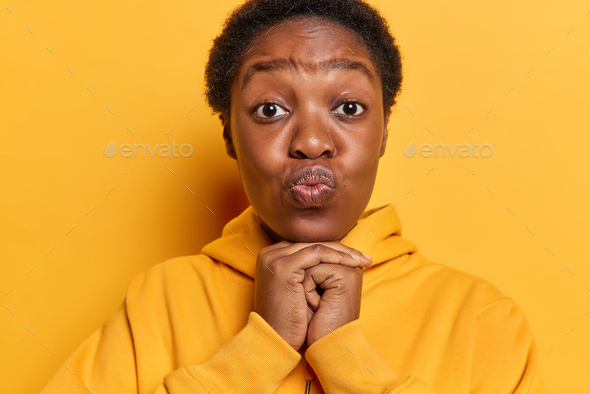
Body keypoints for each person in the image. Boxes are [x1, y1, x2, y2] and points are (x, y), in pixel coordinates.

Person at [39, 0, 551, 393]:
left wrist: (345, 356)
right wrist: (259, 351)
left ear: (385, 133)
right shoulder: (158, 302)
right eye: (270, 110)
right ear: (228, 136)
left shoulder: (482, 319)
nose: (311, 141)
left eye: (348, 107)